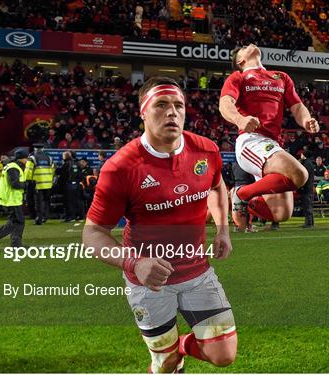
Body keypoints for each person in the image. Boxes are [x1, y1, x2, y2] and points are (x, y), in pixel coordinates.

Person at [82, 77, 236, 373]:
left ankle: (178, 346)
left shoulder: (206, 150)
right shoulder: (120, 168)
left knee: (224, 355)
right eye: (161, 105)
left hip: (198, 274)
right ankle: (168, 356)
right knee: (166, 365)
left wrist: (223, 231)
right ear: (143, 111)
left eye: (179, 105)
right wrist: (135, 264)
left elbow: (217, 187)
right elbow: (92, 233)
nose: (172, 112)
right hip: (149, 283)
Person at [219, 44, 319, 226]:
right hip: (252, 140)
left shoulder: (281, 77)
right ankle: (243, 195)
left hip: (272, 144)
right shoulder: (238, 76)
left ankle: (240, 194)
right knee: (300, 175)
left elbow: (297, 107)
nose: (249, 44)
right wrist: (240, 120)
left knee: (281, 214)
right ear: (240, 60)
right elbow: (225, 103)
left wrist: (306, 121)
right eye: (243, 47)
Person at [0, 149, 28, 250]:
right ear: (22, 158)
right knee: (17, 222)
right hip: (11, 199)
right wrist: (27, 185)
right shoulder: (13, 167)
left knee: (17, 221)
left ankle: (16, 244)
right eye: (26, 158)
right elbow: (15, 184)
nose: (27, 160)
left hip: (12, 199)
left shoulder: (12, 166)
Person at [24, 143, 55, 225]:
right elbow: (53, 171)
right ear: (43, 149)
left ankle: (39, 218)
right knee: (47, 201)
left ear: (35, 149)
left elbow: (28, 171)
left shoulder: (32, 158)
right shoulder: (49, 158)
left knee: (38, 202)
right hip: (48, 184)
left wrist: (27, 180)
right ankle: (45, 217)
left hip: (37, 184)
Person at [56, 151, 81, 222]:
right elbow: (79, 174)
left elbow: (62, 174)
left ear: (66, 156)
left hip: (68, 185)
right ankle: (74, 216)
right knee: (73, 201)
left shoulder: (66, 164)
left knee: (68, 202)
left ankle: (70, 217)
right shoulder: (76, 163)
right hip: (75, 185)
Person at [298, 152, 315, 228]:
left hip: (306, 188)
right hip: (309, 187)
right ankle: (311, 222)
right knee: (309, 205)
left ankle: (308, 223)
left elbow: (304, 176)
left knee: (307, 206)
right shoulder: (309, 163)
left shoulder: (306, 164)